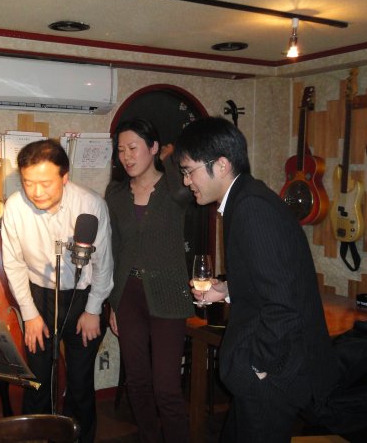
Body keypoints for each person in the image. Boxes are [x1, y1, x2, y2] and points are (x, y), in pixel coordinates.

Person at [174, 117, 339, 443]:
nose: (186, 180)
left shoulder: (251, 208)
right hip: (269, 371)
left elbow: (284, 305)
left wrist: (258, 366)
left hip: (273, 376)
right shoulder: (246, 199)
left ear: (221, 165)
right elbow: (272, 280)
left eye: (189, 170)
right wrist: (227, 289)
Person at [0, 139, 113, 443]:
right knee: (38, 381)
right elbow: (13, 264)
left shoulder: (91, 205)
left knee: (80, 382)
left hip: (82, 298)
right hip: (39, 296)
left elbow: (104, 265)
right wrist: (30, 314)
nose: (36, 192)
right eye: (28, 183)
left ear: (65, 177)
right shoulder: (14, 207)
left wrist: (93, 309)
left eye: (45, 183)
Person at [105, 118, 194, 443]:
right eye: (121, 150)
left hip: (168, 293)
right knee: (138, 382)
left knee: (166, 388)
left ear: (153, 147)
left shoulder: (175, 189)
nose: (126, 157)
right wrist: (113, 303)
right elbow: (115, 250)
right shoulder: (115, 194)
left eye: (133, 148)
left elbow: (186, 192)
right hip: (128, 294)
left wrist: (170, 158)